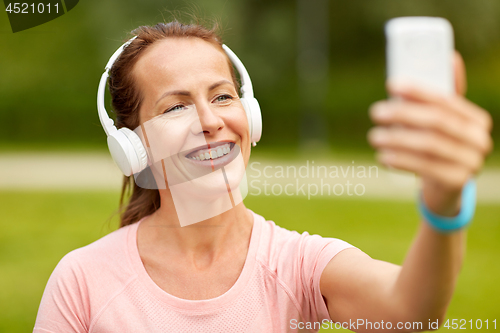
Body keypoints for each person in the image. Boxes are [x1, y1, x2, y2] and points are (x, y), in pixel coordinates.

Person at [34, 21, 493, 332]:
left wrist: (444, 203)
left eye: (221, 96)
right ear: (134, 147)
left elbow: (412, 312)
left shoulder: (299, 263)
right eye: (175, 107)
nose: (209, 121)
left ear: (249, 117)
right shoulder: (82, 281)